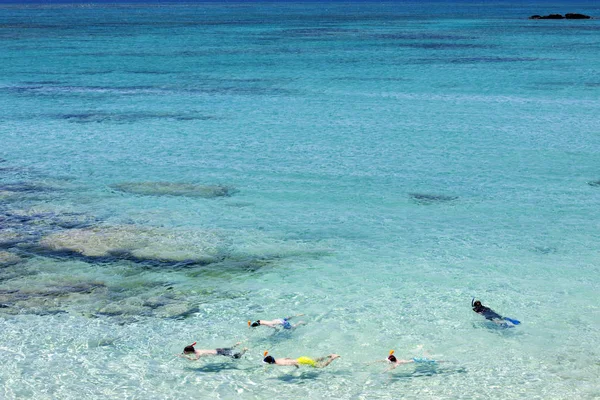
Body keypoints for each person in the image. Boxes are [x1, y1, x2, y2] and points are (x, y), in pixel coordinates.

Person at [373, 350, 440, 371]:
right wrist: (372, 362)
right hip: (414, 359)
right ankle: (426, 352)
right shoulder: (394, 359)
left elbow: (392, 368)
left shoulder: (398, 363)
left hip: (416, 361)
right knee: (426, 358)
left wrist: (384, 371)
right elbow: (384, 360)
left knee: (432, 361)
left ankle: (442, 361)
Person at [262, 351, 340, 368]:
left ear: (270, 363)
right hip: (301, 358)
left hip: (302, 361)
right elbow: (288, 358)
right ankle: (328, 356)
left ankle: (333, 357)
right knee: (316, 360)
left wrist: (297, 366)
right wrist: (294, 361)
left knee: (321, 366)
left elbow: (291, 363)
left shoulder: (279, 363)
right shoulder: (278, 359)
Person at [179, 341, 247, 360]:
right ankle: (236, 344)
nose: (184, 352)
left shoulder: (198, 354)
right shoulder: (196, 350)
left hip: (219, 352)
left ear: (189, 352)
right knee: (230, 348)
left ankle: (243, 351)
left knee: (235, 357)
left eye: (185, 352)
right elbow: (191, 348)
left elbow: (195, 360)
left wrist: (186, 357)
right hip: (218, 349)